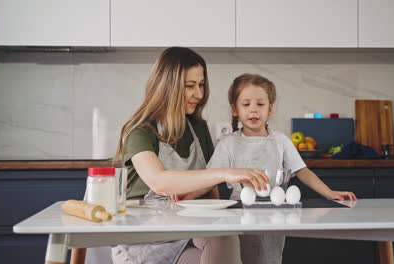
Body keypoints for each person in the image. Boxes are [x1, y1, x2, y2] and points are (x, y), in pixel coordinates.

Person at [112, 47, 269, 264]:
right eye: (190, 86)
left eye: (201, 85)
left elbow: (210, 187)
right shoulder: (139, 131)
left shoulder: (198, 128)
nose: (199, 94)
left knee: (223, 235)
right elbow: (159, 182)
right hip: (143, 242)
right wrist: (224, 173)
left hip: (185, 232)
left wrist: (212, 206)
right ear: (168, 86)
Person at [207, 73, 357, 264]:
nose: (253, 110)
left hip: (275, 215)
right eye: (246, 104)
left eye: (260, 104)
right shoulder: (228, 143)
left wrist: (329, 193)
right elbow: (210, 178)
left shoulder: (281, 141)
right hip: (239, 215)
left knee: (269, 259)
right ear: (234, 109)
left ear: (270, 108)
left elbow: (302, 171)